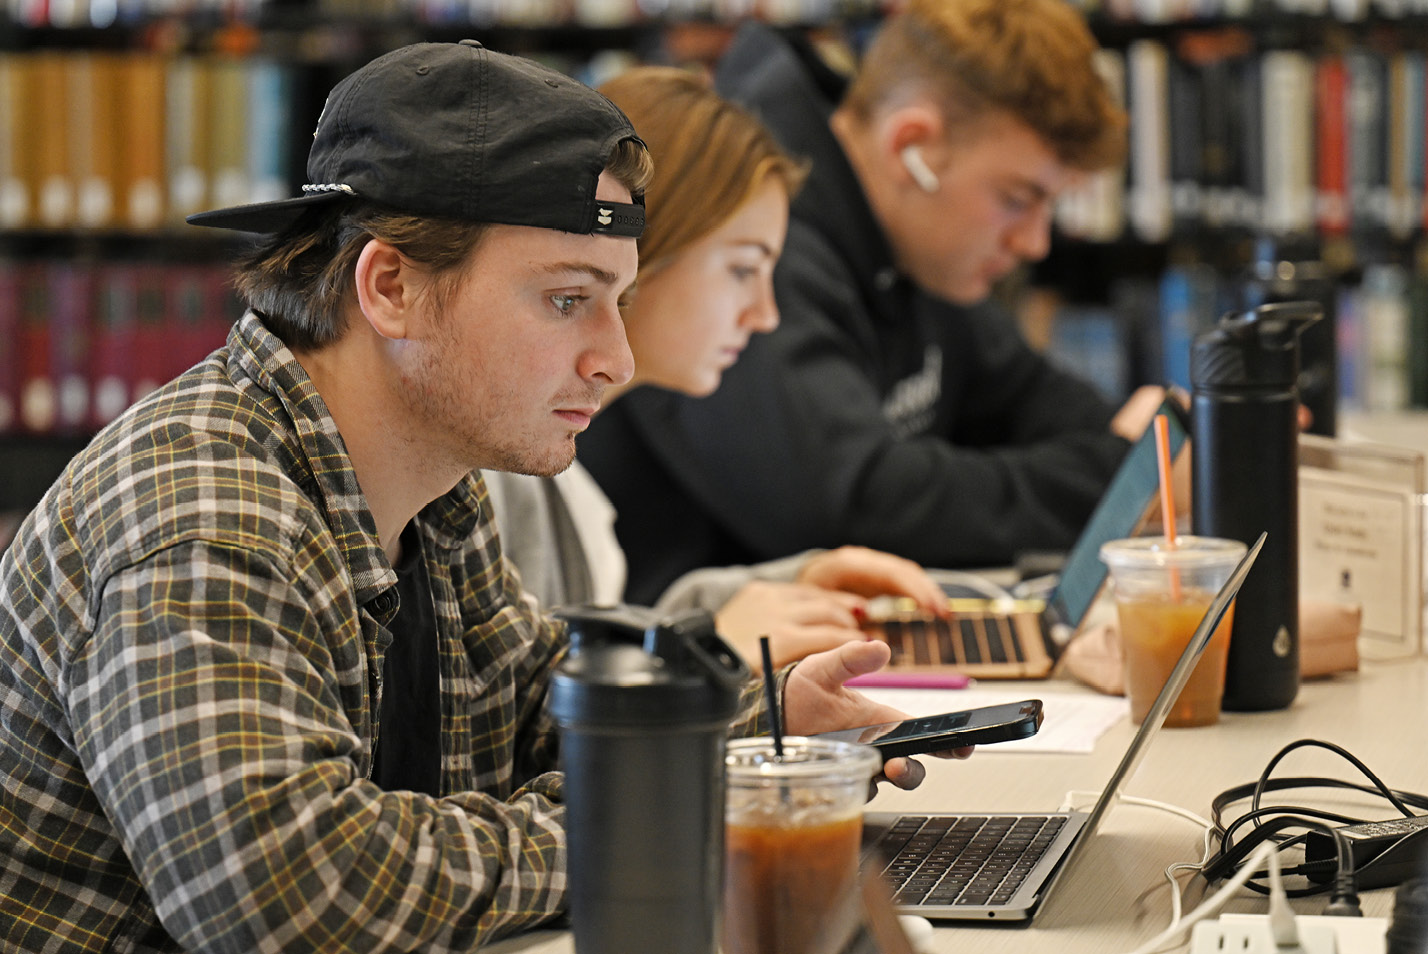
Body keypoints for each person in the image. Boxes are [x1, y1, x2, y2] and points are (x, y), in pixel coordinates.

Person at [0, 42, 948, 954]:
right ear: (392, 286)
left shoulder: (437, 487)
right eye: (568, 300)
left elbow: (530, 709)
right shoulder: (202, 513)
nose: (615, 359)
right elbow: (295, 902)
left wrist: (763, 722)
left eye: (617, 301)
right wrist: (662, 812)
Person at [579, 0, 1169, 607]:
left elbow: (1027, 396)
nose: (1035, 242)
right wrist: (1117, 478)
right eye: (1017, 198)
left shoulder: (921, 255)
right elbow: (843, 504)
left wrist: (1134, 459)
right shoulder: (741, 222)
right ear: (912, 146)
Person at [483, 66, 948, 674]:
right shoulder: (498, 466)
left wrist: (788, 585)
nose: (765, 316)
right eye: (741, 269)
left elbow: (583, 630)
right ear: (645, 245)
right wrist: (715, 645)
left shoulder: (564, 472)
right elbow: (532, 714)